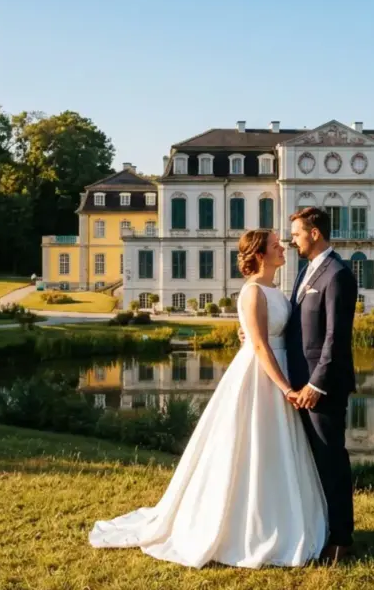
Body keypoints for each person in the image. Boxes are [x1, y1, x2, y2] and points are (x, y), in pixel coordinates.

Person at [87, 229, 327, 568]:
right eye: (275, 246)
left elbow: (269, 332)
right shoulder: (252, 291)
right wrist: (286, 387)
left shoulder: (275, 290)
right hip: (261, 373)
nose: (283, 248)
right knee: (249, 446)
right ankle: (240, 526)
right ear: (259, 254)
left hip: (278, 365)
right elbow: (258, 345)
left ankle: (275, 517)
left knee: (273, 448)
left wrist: (252, 336)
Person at [282, 206, 358, 562]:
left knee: (332, 462)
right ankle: (318, 528)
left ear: (314, 233)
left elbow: (335, 339)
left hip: (322, 389)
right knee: (309, 462)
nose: (292, 239)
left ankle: (342, 539)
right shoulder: (306, 271)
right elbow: (296, 325)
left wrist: (316, 385)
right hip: (299, 386)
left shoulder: (338, 274)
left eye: (297, 233)